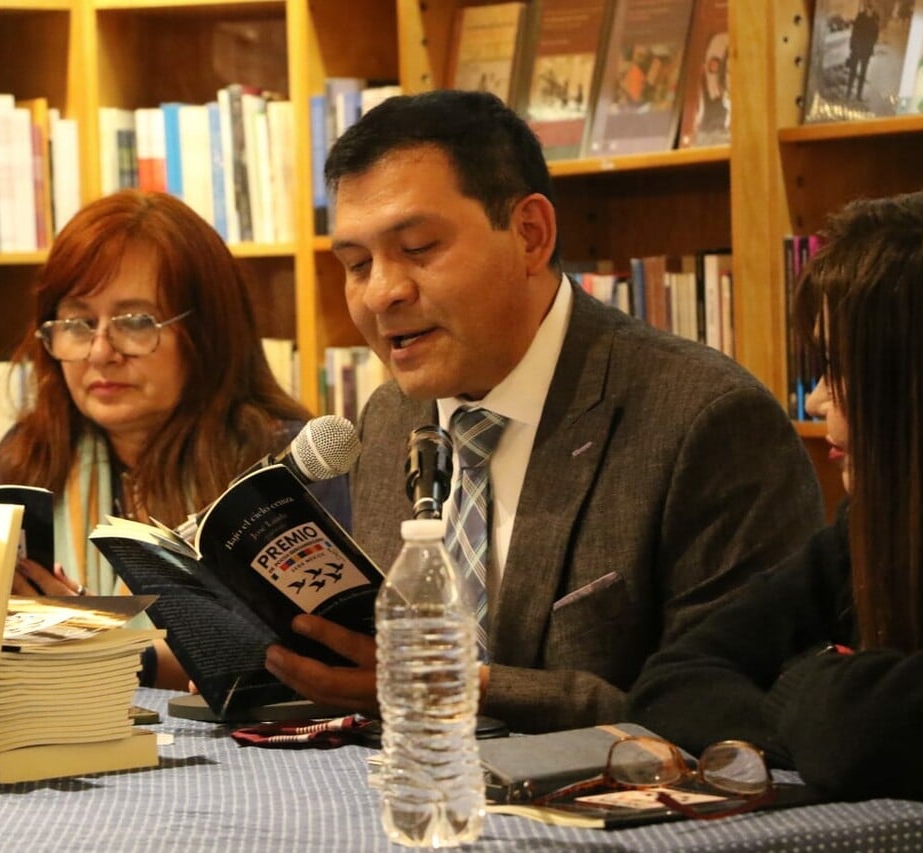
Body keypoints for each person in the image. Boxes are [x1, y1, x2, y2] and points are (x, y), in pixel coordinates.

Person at [262, 89, 824, 733]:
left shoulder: (706, 420)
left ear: (530, 235)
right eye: (357, 264)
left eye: (417, 248)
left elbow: (743, 713)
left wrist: (470, 691)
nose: (383, 292)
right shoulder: (391, 415)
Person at [628, 181, 923, 801]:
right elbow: (673, 679)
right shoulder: (874, 524)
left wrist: (802, 683)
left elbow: (858, 736)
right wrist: (812, 707)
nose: (815, 400)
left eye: (839, 369)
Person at [0, 189, 348, 687]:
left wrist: (95, 645)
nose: (101, 352)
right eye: (78, 323)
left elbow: (294, 650)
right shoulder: (28, 457)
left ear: (207, 333)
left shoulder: (283, 464)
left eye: (136, 323)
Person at [846, 1, 880, 101]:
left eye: (871, 8)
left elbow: (875, 36)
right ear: (865, 8)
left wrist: (871, 48)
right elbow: (854, 32)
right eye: (867, 8)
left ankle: (858, 95)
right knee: (853, 71)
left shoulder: (875, 19)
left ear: (873, 9)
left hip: (866, 51)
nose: (869, 10)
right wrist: (852, 46)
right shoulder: (860, 17)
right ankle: (848, 93)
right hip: (856, 49)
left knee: (863, 73)